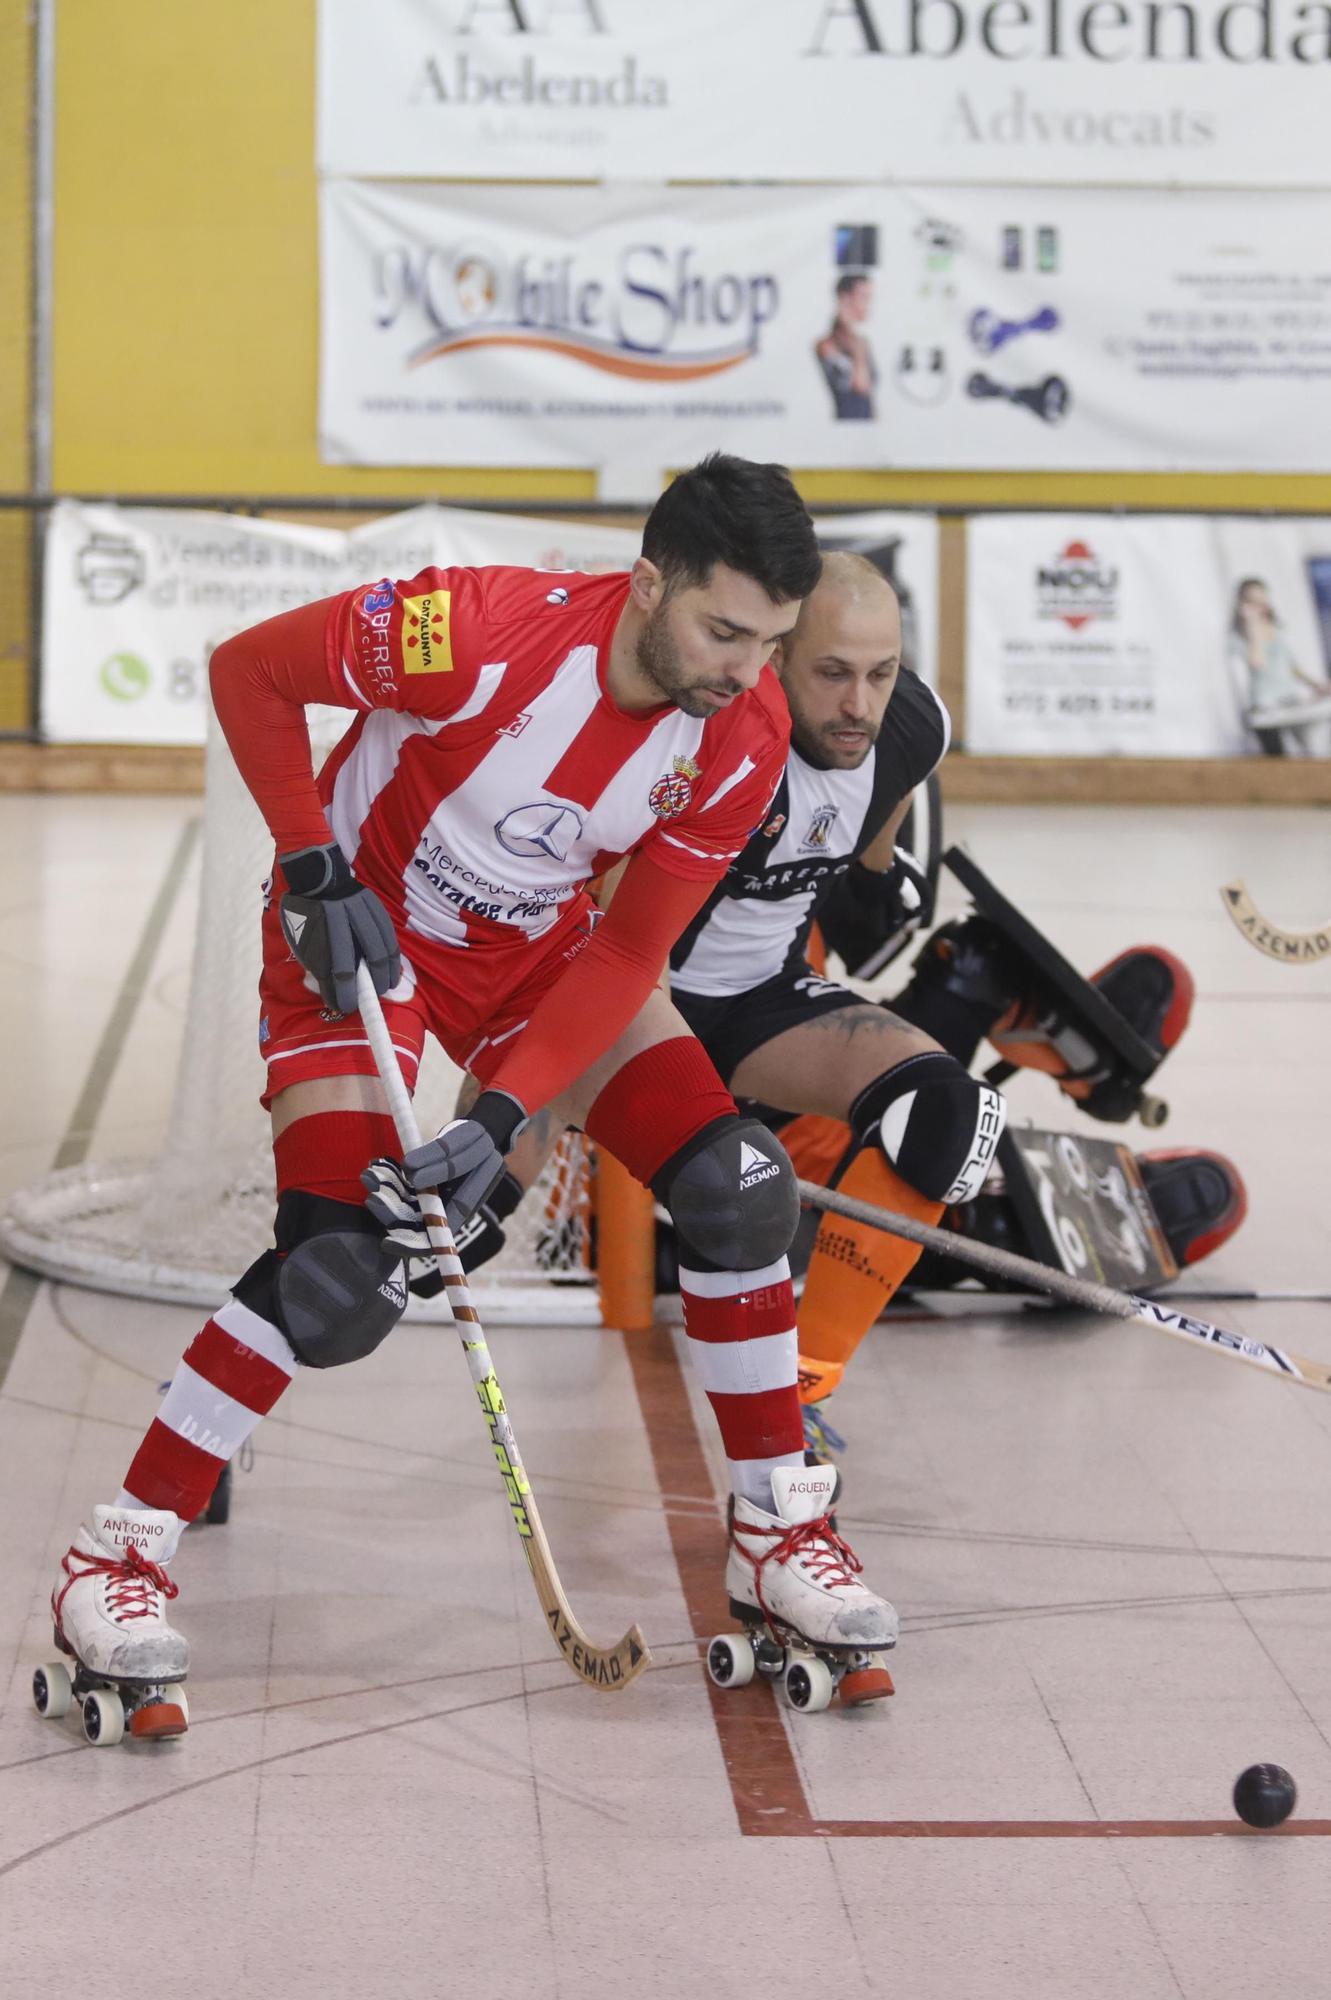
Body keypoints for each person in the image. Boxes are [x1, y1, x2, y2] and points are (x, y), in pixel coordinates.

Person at [48, 454, 912, 1738]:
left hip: (541, 959)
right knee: (340, 1277)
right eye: (722, 631)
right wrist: (308, 857)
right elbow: (248, 668)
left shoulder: (744, 736)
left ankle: (776, 1531)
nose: (744, 670)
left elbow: (624, 955)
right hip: (359, 944)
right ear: (646, 585)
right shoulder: (475, 632)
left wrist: (501, 1115)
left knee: (737, 1190)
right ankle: (111, 1560)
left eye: (769, 642)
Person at [451, 554, 1241, 1454]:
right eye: (831, 674)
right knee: (460, 1208)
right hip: (636, 1008)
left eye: (880, 674)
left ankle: (801, 1389)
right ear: (777, 659)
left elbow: (870, 866)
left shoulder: (908, 730)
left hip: (761, 1009)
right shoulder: (699, 736)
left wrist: (882, 891)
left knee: (951, 1112)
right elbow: (593, 954)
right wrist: (506, 1124)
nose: (858, 705)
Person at [1229, 576, 1331, 757]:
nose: (1259, 605)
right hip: (1265, 707)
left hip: (1290, 699)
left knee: (1312, 750)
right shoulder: (1238, 637)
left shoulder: (1278, 628)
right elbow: (1256, 662)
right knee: (1278, 759)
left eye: (1261, 599)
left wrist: (1316, 684)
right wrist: (1253, 629)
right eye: (1252, 601)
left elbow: (1291, 665)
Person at [815, 274, 877, 421]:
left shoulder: (861, 341)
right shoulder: (827, 345)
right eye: (863, 297)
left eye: (869, 298)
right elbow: (860, 385)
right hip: (845, 429)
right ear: (845, 298)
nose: (868, 304)